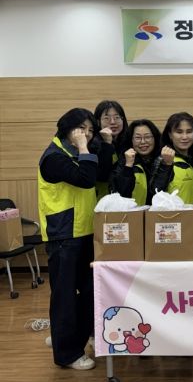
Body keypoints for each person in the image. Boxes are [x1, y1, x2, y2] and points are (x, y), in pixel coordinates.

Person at [37, 108, 99, 370]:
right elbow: (86, 179)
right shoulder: (54, 157)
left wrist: (95, 144)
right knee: (65, 297)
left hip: (83, 231)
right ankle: (67, 354)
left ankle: (67, 338)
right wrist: (84, 146)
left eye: (90, 130)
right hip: (64, 234)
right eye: (82, 128)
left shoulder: (73, 152)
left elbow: (98, 171)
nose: (87, 134)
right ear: (68, 128)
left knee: (87, 292)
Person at [111, 119, 171, 206]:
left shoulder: (164, 159)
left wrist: (166, 165)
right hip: (133, 212)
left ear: (155, 138)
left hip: (159, 212)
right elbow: (121, 194)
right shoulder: (124, 161)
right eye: (138, 138)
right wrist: (128, 166)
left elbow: (157, 191)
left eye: (147, 137)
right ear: (131, 140)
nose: (143, 142)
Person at [161, 112, 193, 204]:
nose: (185, 137)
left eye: (189, 132)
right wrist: (166, 165)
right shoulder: (162, 159)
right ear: (170, 135)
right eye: (179, 132)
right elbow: (155, 191)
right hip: (174, 212)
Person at [93, 100, 128, 199]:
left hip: (125, 199)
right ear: (98, 122)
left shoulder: (128, 142)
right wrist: (107, 143)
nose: (113, 122)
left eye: (117, 117)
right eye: (106, 118)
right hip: (102, 200)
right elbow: (102, 175)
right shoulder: (92, 144)